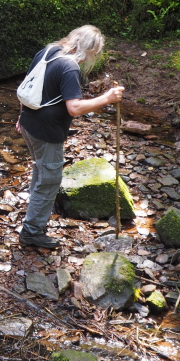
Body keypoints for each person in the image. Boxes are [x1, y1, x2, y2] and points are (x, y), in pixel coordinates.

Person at [15, 25, 124, 250]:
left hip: (28, 125)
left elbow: (29, 86)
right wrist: (107, 98)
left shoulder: (48, 51)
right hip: (46, 133)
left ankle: (33, 214)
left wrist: (21, 116)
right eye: (95, 54)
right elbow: (74, 108)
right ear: (91, 50)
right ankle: (32, 233)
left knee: (41, 171)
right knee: (49, 182)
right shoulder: (70, 67)